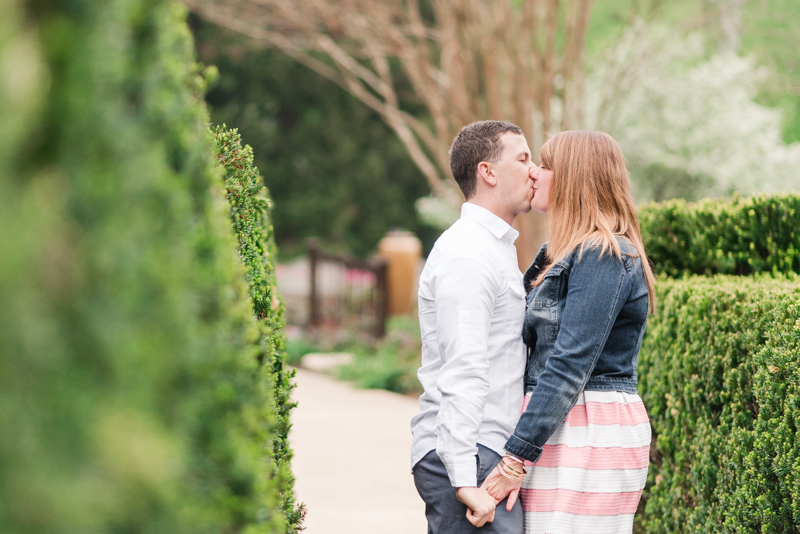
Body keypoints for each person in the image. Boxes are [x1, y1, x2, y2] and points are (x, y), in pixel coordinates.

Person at [481, 130, 656, 534]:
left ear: (574, 178)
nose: (535, 175)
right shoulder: (558, 253)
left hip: (589, 425)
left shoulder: (603, 253)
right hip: (558, 424)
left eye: (545, 166)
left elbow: (569, 363)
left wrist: (514, 459)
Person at [410, 120, 536, 533]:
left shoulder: (493, 248)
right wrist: (465, 481)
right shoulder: (469, 253)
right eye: (523, 158)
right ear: (488, 172)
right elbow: (464, 366)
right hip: (470, 456)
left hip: (481, 452)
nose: (533, 171)